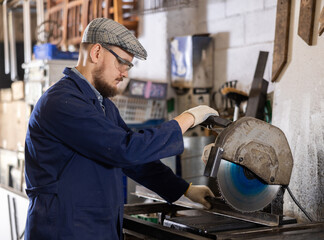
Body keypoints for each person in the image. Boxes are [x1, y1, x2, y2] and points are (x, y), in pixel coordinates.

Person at [24, 18, 219, 240]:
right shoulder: (61, 102)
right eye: (121, 62)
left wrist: (184, 189)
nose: (125, 73)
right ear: (97, 52)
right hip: (63, 230)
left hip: (94, 229)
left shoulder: (102, 105)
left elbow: (134, 161)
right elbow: (125, 149)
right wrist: (187, 119)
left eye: (129, 66)